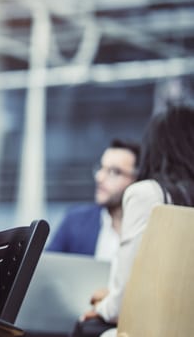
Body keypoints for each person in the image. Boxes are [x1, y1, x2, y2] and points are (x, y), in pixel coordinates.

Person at [72, 104, 194, 337]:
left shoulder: (148, 194)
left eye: (115, 172)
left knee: (86, 327)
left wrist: (103, 306)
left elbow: (121, 306)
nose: (101, 177)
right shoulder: (78, 221)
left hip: (151, 329)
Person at [47, 139, 140, 261]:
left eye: (114, 172)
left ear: (137, 180)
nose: (99, 177)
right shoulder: (75, 221)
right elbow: (46, 269)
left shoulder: (147, 230)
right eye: (101, 168)